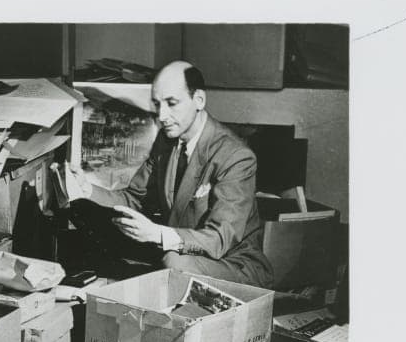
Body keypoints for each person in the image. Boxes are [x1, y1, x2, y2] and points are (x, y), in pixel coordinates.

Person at [57, 60, 274, 288]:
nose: (161, 115)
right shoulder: (167, 141)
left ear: (199, 100)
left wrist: (156, 234)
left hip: (232, 264)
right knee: (87, 215)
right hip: (184, 251)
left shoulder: (236, 156)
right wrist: (86, 189)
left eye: (172, 103)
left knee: (172, 262)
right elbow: (134, 198)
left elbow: (219, 239)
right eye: (157, 104)